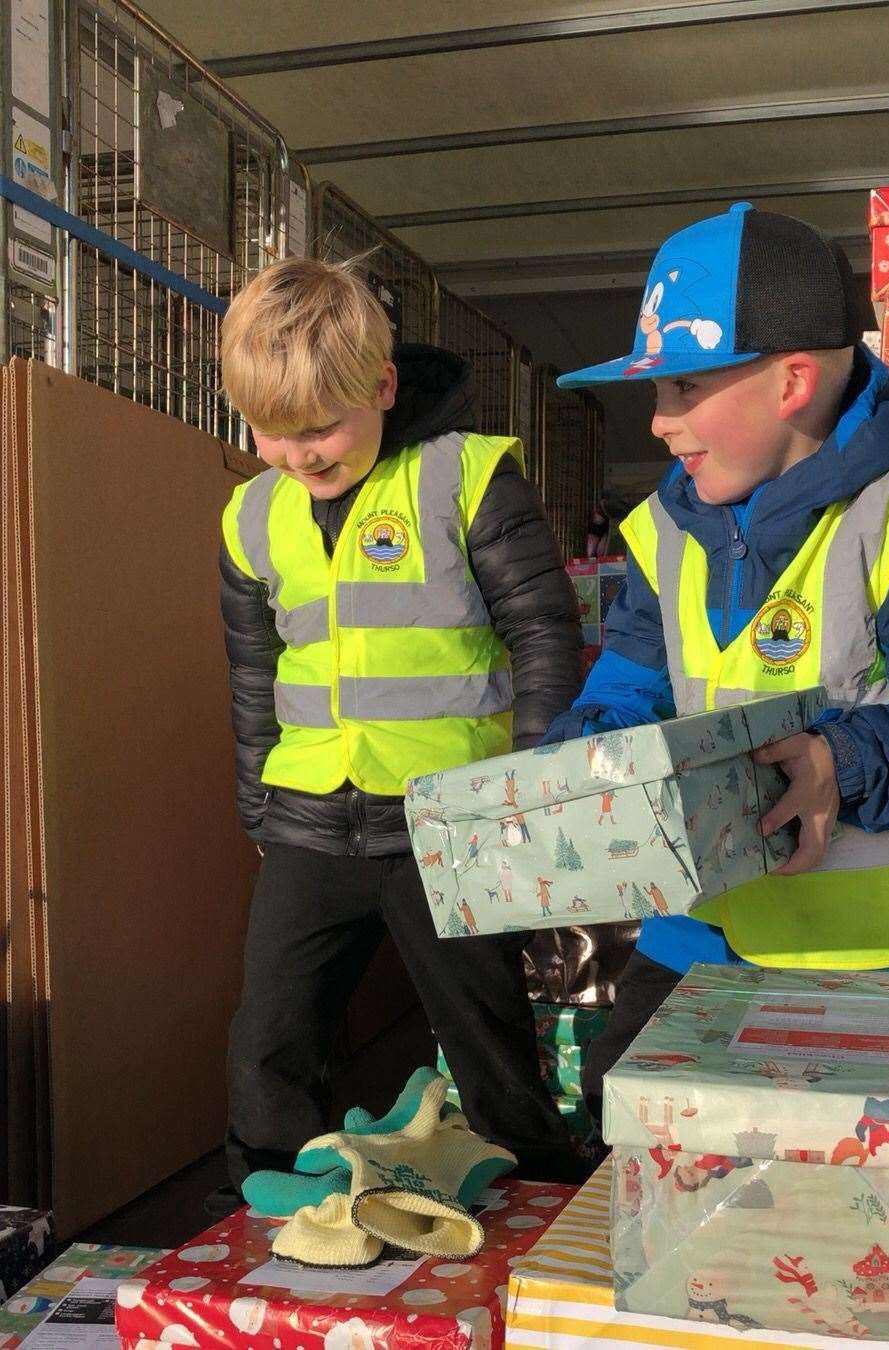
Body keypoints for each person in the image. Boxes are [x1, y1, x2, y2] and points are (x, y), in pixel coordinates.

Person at [544, 203, 889, 1120]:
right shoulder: (662, 533)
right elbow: (631, 684)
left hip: (858, 965)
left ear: (793, 380)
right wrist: (579, 759)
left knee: (818, 1193)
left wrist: (840, 760)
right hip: (691, 938)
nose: (657, 423)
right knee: (624, 1118)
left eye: (681, 390)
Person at [216, 256, 585, 1203]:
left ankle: (535, 1202)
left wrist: (530, 790)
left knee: (486, 1032)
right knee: (271, 1039)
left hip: (450, 823)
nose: (299, 454)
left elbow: (543, 633)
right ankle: (267, 1210)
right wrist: (260, 804)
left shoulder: (464, 479)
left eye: (323, 428)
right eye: (270, 431)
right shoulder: (251, 516)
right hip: (307, 821)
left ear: (381, 386)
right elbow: (257, 667)